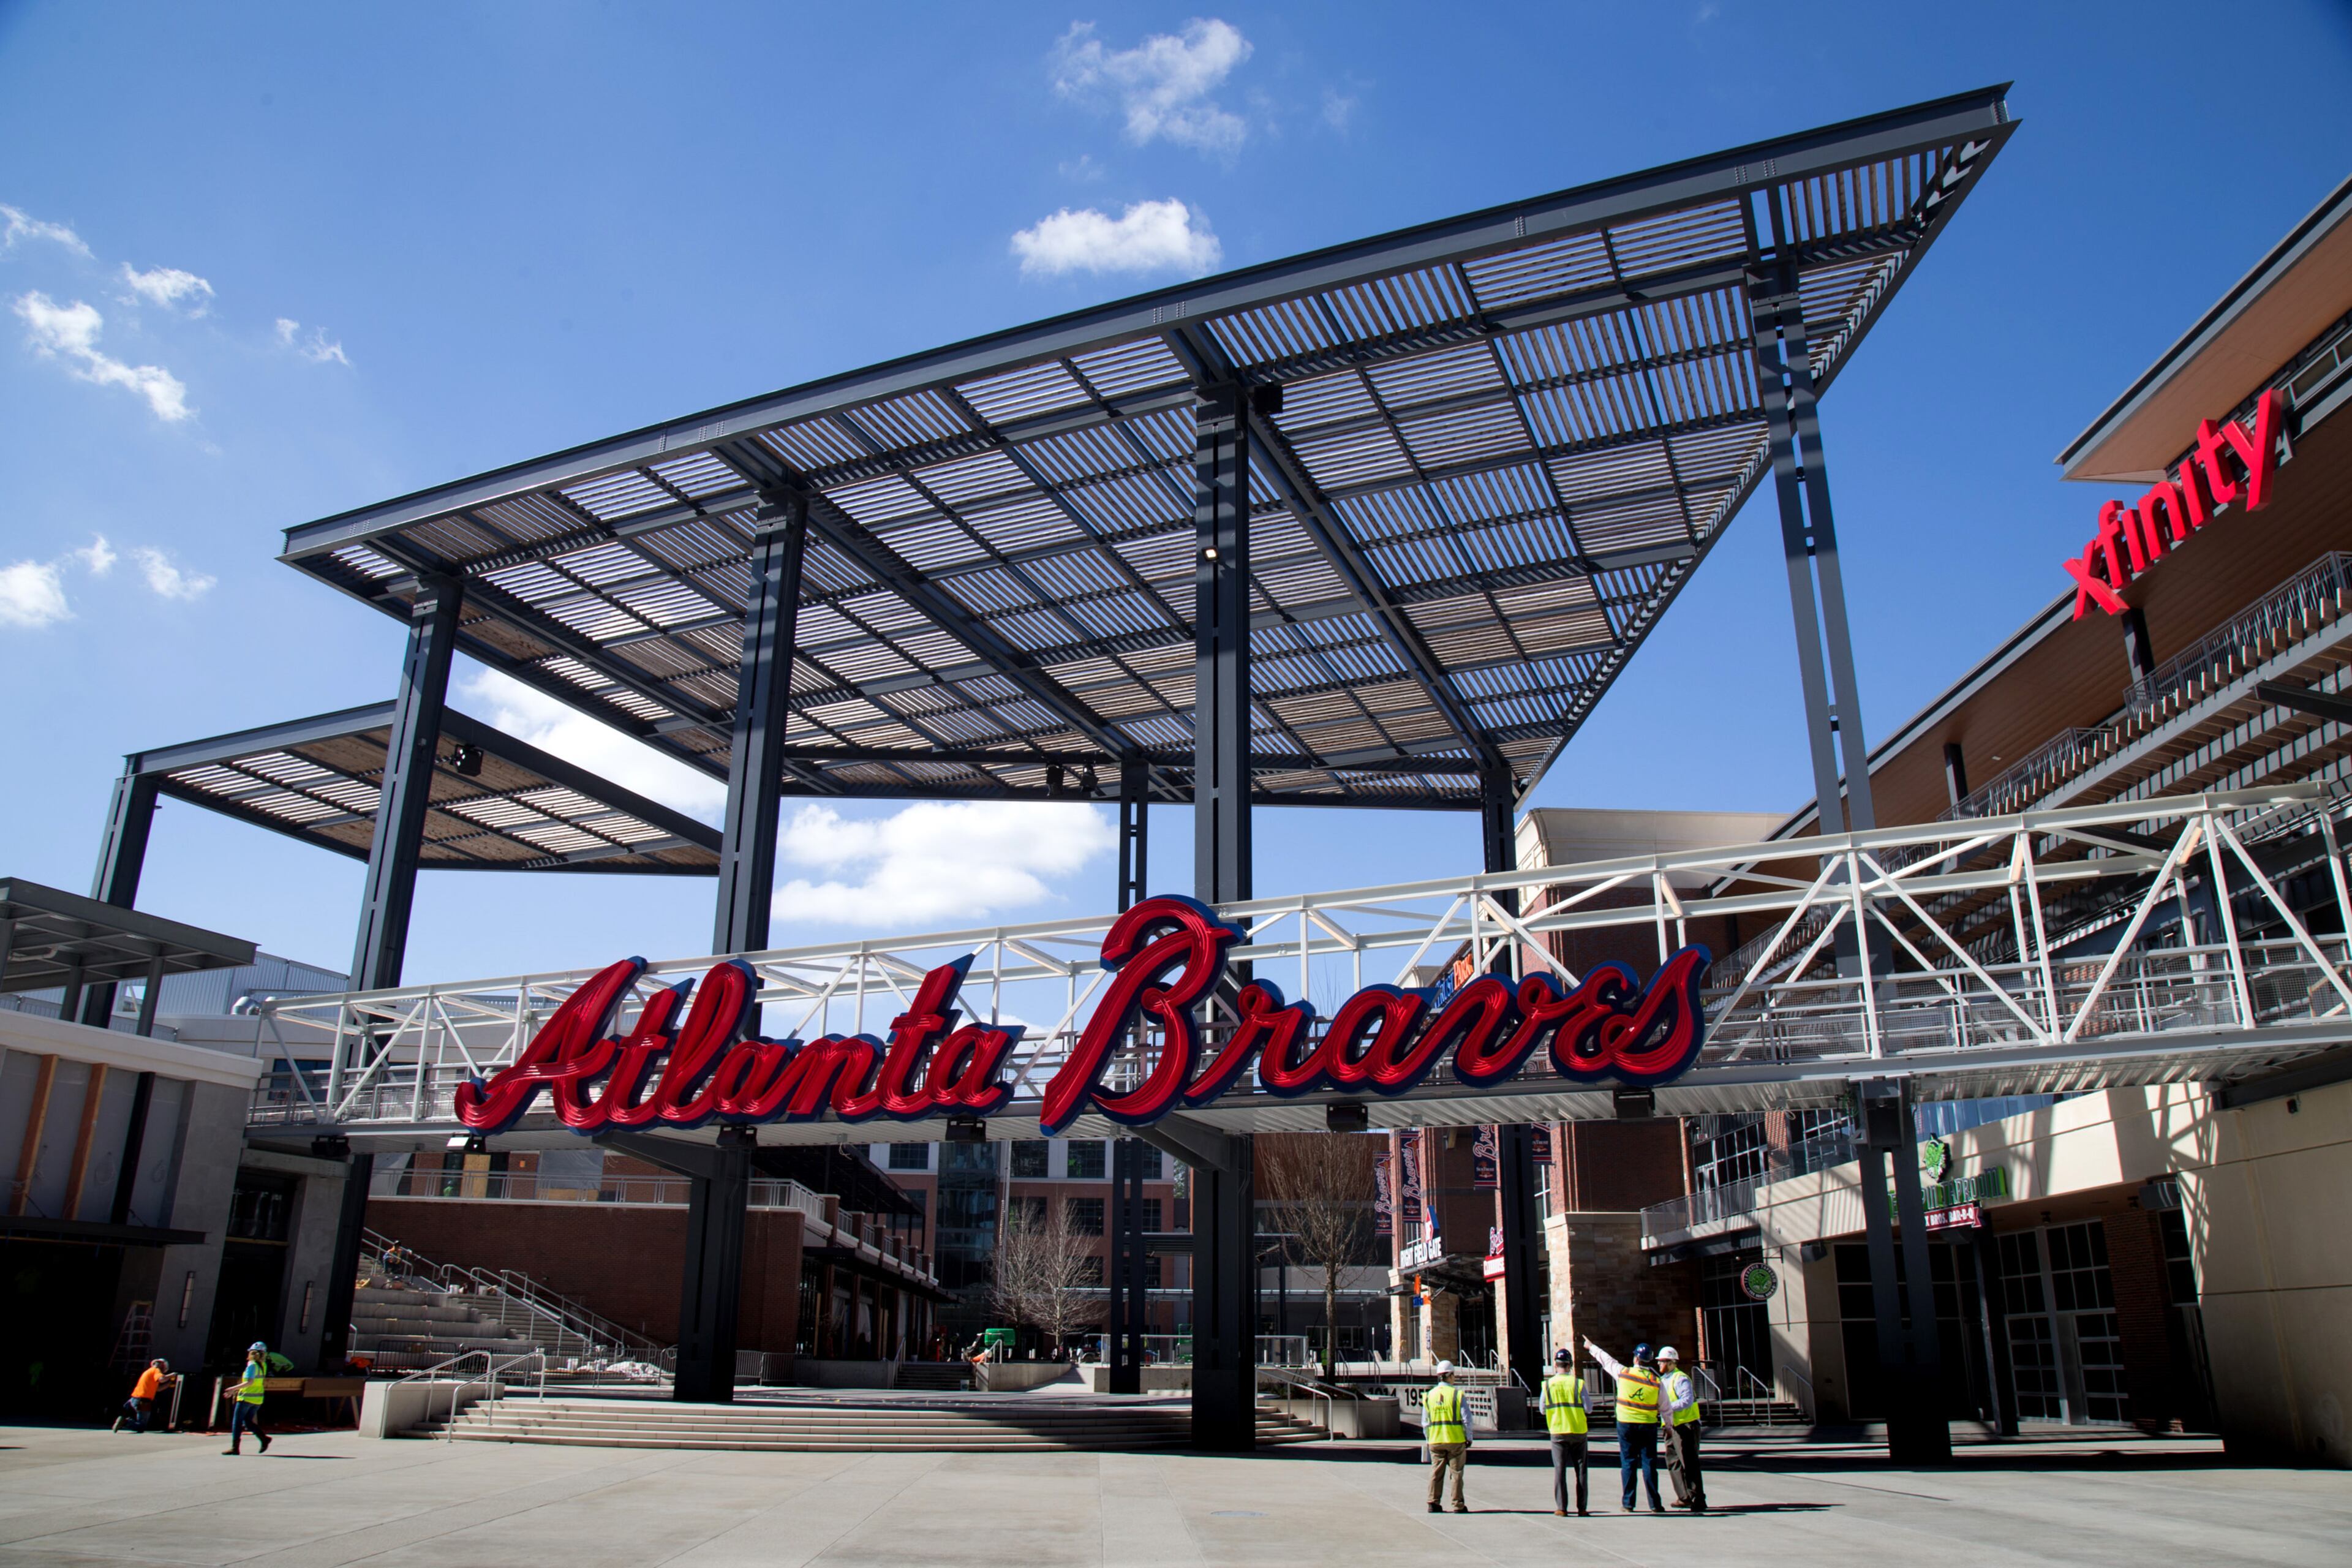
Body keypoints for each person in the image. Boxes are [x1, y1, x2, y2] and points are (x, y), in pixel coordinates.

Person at [1583, 1336, 1664, 1514]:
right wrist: (1669, 1424)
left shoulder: (1624, 1373)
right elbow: (1665, 1407)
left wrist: (1591, 1347)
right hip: (1647, 1425)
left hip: (1626, 1424)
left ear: (1636, 1358)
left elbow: (1607, 1361)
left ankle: (1628, 1503)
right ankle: (1655, 1504)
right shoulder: (1656, 1381)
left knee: (1628, 1463)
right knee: (1649, 1464)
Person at [1540, 1347, 1589, 1517]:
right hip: (1578, 1431)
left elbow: (1542, 1409)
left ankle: (1562, 1508)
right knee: (1581, 1471)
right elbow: (1589, 1408)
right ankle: (1582, 1508)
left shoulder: (1547, 1385)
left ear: (1556, 1364)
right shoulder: (1578, 1383)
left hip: (1558, 1432)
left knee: (1560, 1470)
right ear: (1570, 1365)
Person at [1657, 1346, 1708, 1511]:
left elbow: (1687, 1400)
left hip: (1686, 1426)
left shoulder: (1681, 1379)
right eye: (1659, 1361)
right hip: (1671, 1427)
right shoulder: (1663, 1380)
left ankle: (1698, 1498)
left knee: (1689, 1463)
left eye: (1662, 1361)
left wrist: (1667, 1408)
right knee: (1673, 1462)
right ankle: (1684, 1497)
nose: (1659, 1364)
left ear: (1672, 1363)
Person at [1422, 1360, 1471, 1514]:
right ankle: (1457, 1505)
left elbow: (1425, 1422)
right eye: (1454, 1375)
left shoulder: (1430, 1395)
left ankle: (1433, 1502)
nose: (1454, 1378)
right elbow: (1467, 1419)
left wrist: (1428, 1440)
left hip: (1436, 1441)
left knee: (1436, 1472)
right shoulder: (1457, 1394)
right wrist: (1469, 1437)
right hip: (1455, 1440)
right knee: (1456, 1474)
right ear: (1449, 1376)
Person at [223, 1342, 273, 1455]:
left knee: (237, 1422)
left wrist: (233, 1389)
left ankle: (235, 1448)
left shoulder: (252, 1366)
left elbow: (249, 1382)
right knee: (248, 1422)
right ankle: (264, 1439)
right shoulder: (263, 1366)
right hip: (257, 1399)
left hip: (246, 1398)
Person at [112, 1359, 174, 1433]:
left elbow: (158, 1389)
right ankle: (125, 1422)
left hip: (134, 1398)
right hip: (144, 1400)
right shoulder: (156, 1371)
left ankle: (122, 1419)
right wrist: (172, 1375)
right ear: (162, 1365)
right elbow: (162, 1379)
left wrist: (170, 1384)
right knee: (141, 1426)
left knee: (128, 1412)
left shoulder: (149, 1371)